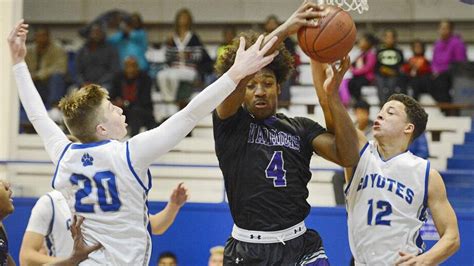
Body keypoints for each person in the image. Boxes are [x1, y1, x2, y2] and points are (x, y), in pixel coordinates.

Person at [9, 19, 279, 265]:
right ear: (101, 128)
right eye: (112, 109)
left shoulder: (64, 154)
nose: (120, 109)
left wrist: (18, 63)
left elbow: (36, 115)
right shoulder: (130, 154)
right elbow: (190, 113)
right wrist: (236, 73)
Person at [213, 2, 358, 264]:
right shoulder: (230, 124)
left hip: (301, 245)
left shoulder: (300, 128)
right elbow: (240, 72)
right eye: (251, 86)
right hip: (249, 250)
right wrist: (286, 28)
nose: (259, 91)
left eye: (267, 83)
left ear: (279, 88)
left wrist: (333, 96)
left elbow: (348, 156)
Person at [342, 93, 460, 265]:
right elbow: (334, 115)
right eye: (381, 111)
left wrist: (425, 260)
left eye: (390, 112)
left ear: (408, 128)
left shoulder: (426, 174)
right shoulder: (361, 154)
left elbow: (452, 236)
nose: (380, 115)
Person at [19, 183, 187, 265]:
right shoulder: (49, 202)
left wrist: (173, 206)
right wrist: (70, 262)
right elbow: (26, 257)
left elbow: (155, 225)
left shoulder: (110, 198)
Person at [157, 8, 213, 117]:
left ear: (189, 20)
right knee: (161, 75)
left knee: (172, 76)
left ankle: (172, 104)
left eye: (185, 18)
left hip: (189, 69)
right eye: (181, 18)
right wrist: (178, 54)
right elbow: (167, 56)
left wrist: (187, 55)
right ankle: (170, 101)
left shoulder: (193, 37)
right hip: (174, 67)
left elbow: (199, 55)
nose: (183, 20)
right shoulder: (172, 38)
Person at [332, 100, 373, 205]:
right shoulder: (351, 128)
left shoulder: (375, 129)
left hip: (370, 166)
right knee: (337, 177)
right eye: (358, 112)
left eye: (362, 112)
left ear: (368, 113)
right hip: (353, 165)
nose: (360, 115)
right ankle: (341, 207)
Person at [110, 56, 157, 136]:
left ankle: (133, 139)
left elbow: (144, 100)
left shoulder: (145, 78)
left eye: (133, 66)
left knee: (135, 112)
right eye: (128, 66)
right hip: (123, 110)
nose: (130, 69)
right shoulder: (118, 77)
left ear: (137, 67)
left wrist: (126, 103)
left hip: (141, 110)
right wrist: (115, 102)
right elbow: (112, 95)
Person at [263, 14, 299, 109]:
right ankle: (265, 104)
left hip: (282, 68)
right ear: (266, 25)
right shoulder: (262, 39)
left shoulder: (287, 40)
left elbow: (292, 58)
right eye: (269, 23)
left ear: (278, 25)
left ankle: (284, 105)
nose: (271, 25)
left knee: (285, 78)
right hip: (265, 68)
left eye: (273, 23)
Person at [430, 20, 467, 104]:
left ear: (451, 30)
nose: (443, 31)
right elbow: (433, 61)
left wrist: (440, 71)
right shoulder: (437, 43)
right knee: (423, 80)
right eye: (441, 28)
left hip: (452, 72)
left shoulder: (458, 43)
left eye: (445, 28)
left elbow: (460, 63)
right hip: (437, 72)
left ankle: (447, 107)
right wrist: (434, 70)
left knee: (441, 80)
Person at [75, 24, 120, 91]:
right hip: (85, 84)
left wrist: (98, 83)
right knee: (72, 90)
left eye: (98, 32)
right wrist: (82, 83)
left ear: (103, 34)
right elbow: (77, 72)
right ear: (89, 34)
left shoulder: (111, 50)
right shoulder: (81, 51)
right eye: (94, 32)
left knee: (105, 90)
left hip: (104, 83)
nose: (96, 34)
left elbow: (114, 71)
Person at [375, 29, 405, 104]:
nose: (389, 39)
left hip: (394, 74)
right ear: (384, 38)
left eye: (391, 37)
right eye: (387, 37)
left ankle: (390, 103)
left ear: (395, 39)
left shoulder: (398, 51)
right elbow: (376, 65)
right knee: (380, 84)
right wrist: (383, 70)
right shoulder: (379, 50)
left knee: (392, 84)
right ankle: (382, 104)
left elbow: (401, 65)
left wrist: (394, 72)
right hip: (381, 74)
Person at [348, 33, 377, 102]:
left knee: (356, 84)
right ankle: (355, 99)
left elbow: (367, 68)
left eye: (362, 41)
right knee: (350, 83)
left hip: (367, 77)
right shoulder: (361, 54)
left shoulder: (371, 55)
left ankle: (359, 100)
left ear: (368, 43)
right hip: (359, 76)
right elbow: (353, 64)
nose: (359, 42)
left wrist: (354, 71)